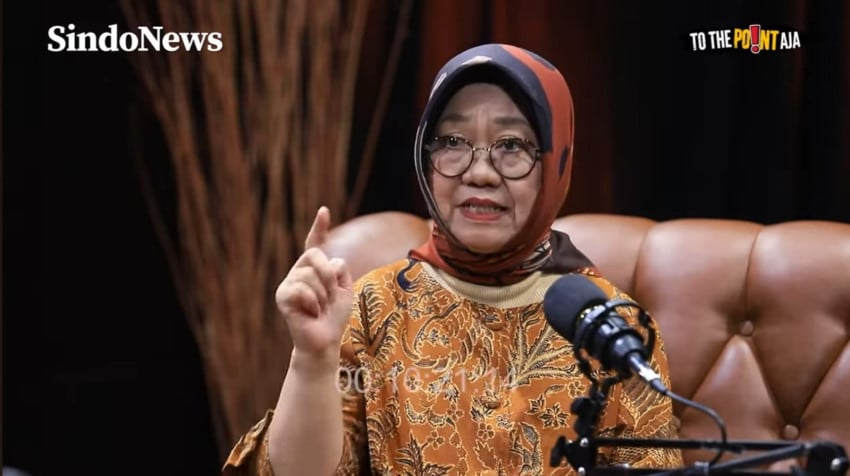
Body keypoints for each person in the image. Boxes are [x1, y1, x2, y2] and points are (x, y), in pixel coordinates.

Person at [222, 43, 683, 475]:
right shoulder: (372, 308)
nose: (479, 173)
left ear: (556, 160)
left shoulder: (614, 330)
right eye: (453, 142)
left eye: (512, 145)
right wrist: (312, 357)